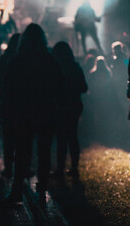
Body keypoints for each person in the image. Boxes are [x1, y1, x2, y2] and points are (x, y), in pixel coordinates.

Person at [2, 24, 65, 204]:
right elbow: (61, 85)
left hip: (23, 113)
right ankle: (42, 190)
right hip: (46, 112)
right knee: (44, 152)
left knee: (21, 153)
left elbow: (8, 88)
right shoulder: (49, 59)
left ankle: (16, 191)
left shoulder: (17, 59)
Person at [52, 41, 88, 178]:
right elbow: (84, 88)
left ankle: (60, 169)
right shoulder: (75, 67)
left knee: (61, 138)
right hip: (74, 106)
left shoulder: (56, 68)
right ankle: (74, 168)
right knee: (73, 137)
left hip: (60, 107)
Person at [0, 33, 20, 178]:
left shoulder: (4, 59)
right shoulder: (25, 60)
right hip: (21, 105)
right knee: (22, 139)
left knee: (9, 139)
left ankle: (9, 168)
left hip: (9, 104)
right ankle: (22, 168)